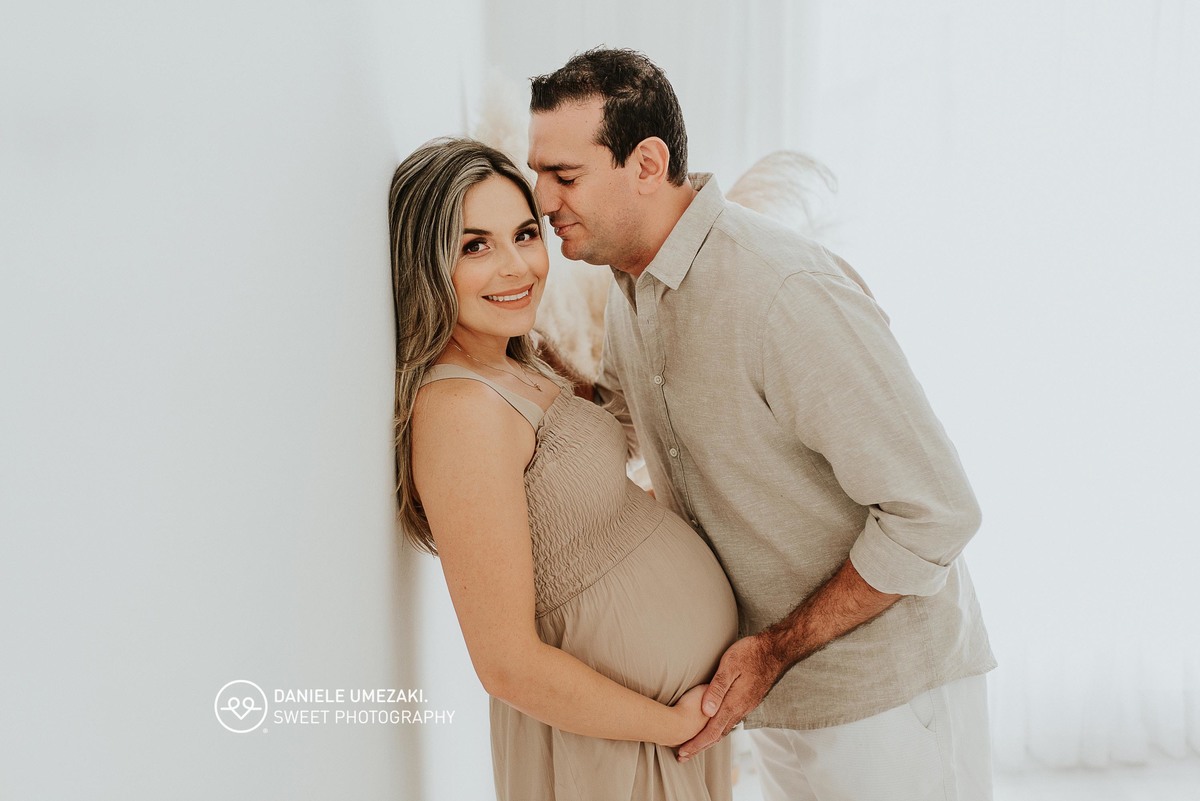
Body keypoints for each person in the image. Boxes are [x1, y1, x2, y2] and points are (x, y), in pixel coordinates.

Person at [527, 48, 997, 801]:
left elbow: (936, 511)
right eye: (539, 172)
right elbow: (617, 415)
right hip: (777, 699)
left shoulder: (782, 292)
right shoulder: (631, 288)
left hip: (885, 703)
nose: (542, 199)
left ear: (647, 163)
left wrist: (775, 648)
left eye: (565, 175)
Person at [388, 137, 738, 801]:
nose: (518, 266)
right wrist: (668, 726)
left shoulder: (522, 358)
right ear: (423, 264)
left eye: (524, 233)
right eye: (474, 246)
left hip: (658, 734)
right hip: (614, 747)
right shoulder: (461, 408)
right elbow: (507, 664)